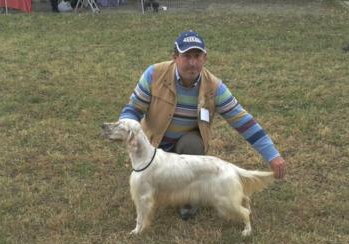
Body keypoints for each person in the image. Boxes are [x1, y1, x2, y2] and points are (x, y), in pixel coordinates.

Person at [118, 30, 286, 219]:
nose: (192, 62)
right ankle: (156, 186)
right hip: (152, 145)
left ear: (205, 58)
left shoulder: (214, 87)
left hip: (185, 147)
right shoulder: (154, 74)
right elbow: (133, 108)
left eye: (197, 56)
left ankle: (188, 200)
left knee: (193, 144)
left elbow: (243, 122)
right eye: (186, 56)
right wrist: (127, 127)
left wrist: (273, 155)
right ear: (175, 57)